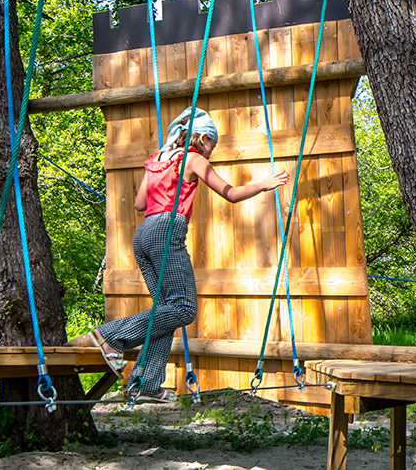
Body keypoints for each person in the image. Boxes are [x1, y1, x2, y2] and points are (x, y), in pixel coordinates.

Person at [87, 107, 290, 402]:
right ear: (203, 138)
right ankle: (111, 336)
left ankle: (146, 383)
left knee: (165, 312)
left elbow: (139, 204)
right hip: (166, 230)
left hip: (143, 235)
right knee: (184, 308)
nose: (211, 152)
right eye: (213, 145)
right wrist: (263, 184)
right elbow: (230, 193)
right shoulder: (192, 158)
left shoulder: (157, 160)